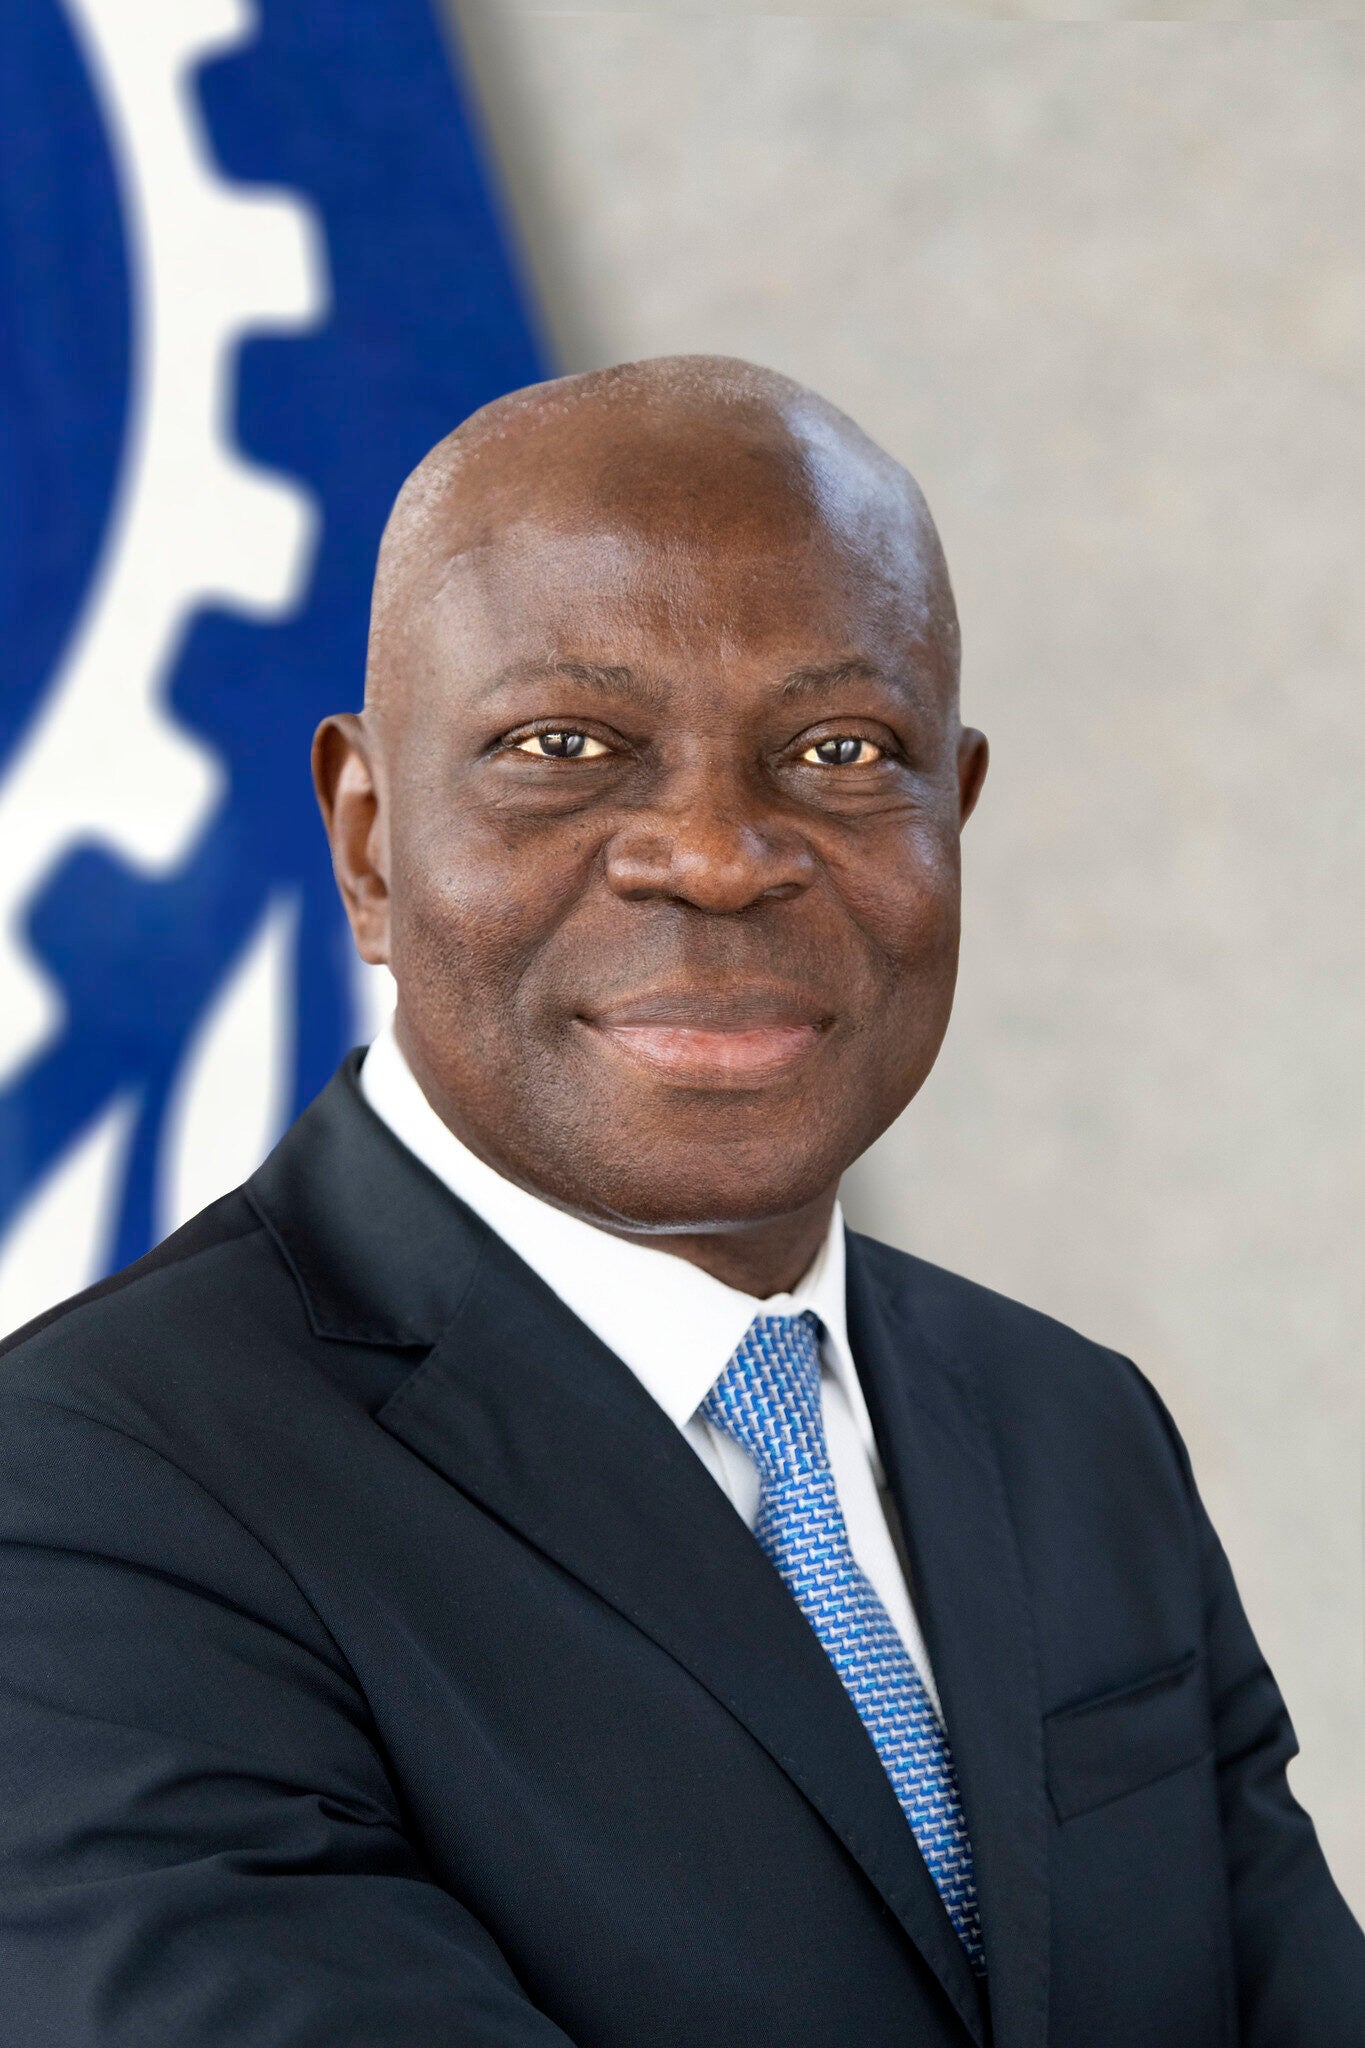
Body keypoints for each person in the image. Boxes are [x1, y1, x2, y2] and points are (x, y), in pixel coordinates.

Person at [0, 357, 1359, 2048]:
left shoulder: (1068, 1422)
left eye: (842, 749)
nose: (717, 853)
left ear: (955, 814)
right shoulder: (83, 1498)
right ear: (368, 842)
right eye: (563, 745)